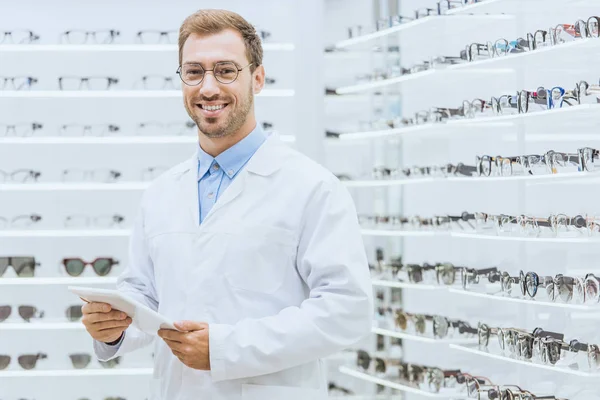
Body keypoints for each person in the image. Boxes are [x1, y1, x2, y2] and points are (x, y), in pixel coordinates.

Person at [81, 8, 372, 400]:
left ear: (258, 78)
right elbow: (145, 295)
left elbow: (346, 310)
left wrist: (225, 349)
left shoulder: (313, 188)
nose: (208, 87)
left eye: (225, 70)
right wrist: (114, 327)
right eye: (194, 71)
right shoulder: (162, 192)